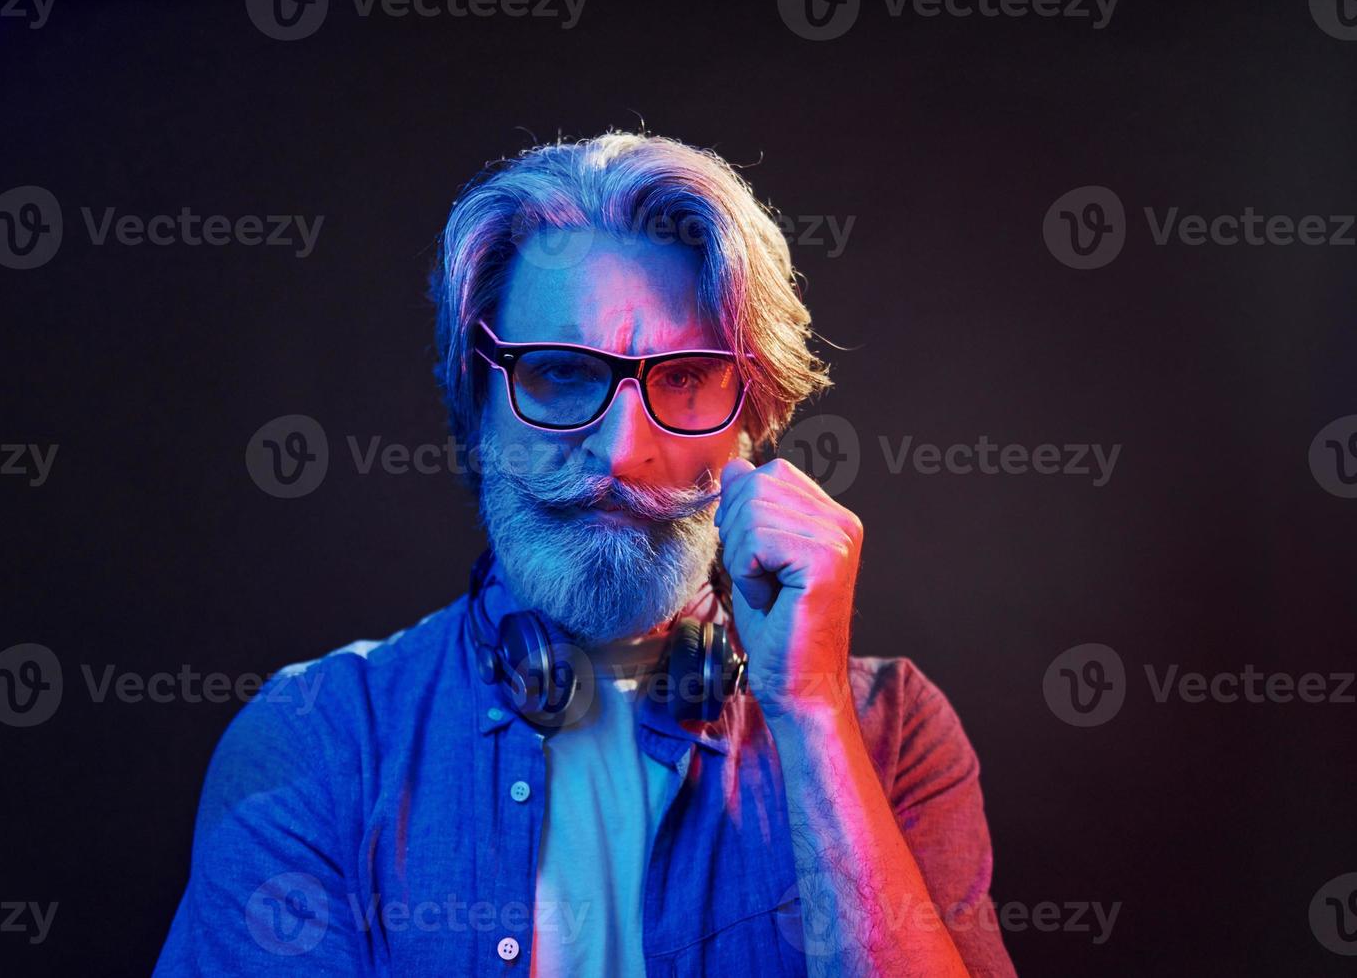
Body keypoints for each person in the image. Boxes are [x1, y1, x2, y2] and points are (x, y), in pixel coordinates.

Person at [154, 132, 1015, 977]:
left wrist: (814, 715)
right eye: (560, 372)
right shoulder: (317, 742)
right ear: (475, 406)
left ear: (755, 428)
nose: (618, 453)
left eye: (683, 378)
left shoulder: (893, 733)